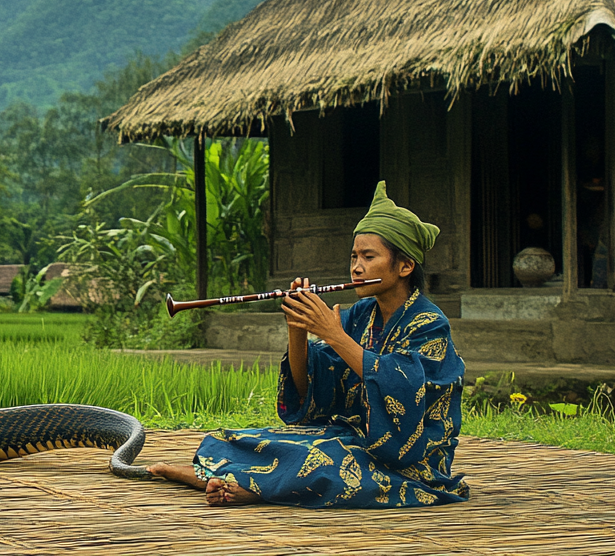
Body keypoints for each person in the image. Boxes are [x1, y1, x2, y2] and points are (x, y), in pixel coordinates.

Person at [149, 181, 470, 508]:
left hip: (409, 463)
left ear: (404, 266)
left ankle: (247, 487)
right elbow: (310, 393)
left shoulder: (430, 325)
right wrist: (298, 330)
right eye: (354, 256)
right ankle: (231, 478)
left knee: (326, 462)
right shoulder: (360, 315)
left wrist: (334, 335)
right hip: (351, 440)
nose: (356, 267)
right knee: (235, 439)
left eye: (368, 257)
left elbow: (402, 392)